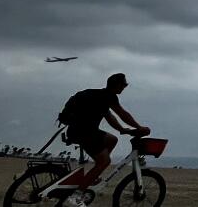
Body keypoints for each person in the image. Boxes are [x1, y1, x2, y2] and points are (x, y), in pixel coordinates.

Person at [60, 73, 149, 207]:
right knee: (105, 161)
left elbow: (110, 117)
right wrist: (139, 127)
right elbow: (122, 113)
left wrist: (122, 129)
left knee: (112, 139)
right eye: (124, 84)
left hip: (77, 130)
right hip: (86, 133)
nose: (125, 87)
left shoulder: (98, 95)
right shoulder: (109, 97)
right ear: (117, 85)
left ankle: (94, 176)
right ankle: (75, 197)